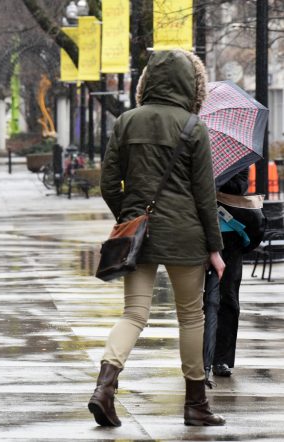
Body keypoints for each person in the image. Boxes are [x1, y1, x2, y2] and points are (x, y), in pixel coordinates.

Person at [90, 50, 226, 427]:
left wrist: (130, 217)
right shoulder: (192, 126)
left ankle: (104, 387)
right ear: (190, 84)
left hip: (139, 234)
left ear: (147, 81)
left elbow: (107, 182)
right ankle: (195, 404)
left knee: (134, 313)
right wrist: (215, 247)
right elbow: (204, 196)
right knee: (190, 317)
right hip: (187, 236)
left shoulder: (126, 121)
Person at [203, 167, 264, 381]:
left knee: (228, 298)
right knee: (194, 301)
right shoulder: (190, 148)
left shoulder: (234, 159)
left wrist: (215, 180)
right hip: (197, 233)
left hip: (229, 236)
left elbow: (240, 186)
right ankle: (197, 356)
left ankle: (221, 359)